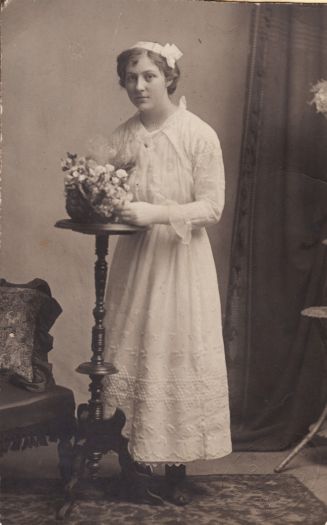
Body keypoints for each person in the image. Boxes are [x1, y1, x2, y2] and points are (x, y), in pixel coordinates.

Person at [102, 41, 232, 505]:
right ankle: (137, 468)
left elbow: (213, 206)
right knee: (137, 348)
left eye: (148, 76)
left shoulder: (199, 134)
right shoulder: (122, 137)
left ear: (169, 78)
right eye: (130, 78)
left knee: (178, 351)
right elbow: (110, 197)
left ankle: (175, 470)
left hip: (180, 262)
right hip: (136, 263)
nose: (138, 86)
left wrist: (153, 214)